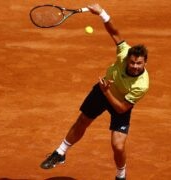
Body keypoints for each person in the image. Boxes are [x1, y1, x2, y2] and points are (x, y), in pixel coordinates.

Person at [40, 3, 149, 180]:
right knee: (83, 120)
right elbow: (114, 33)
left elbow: (121, 109)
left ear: (145, 63)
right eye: (132, 62)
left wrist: (107, 92)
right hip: (102, 91)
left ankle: (121, 174)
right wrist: (102, 13)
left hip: (118, 100)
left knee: (118, 146)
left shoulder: (142, 85)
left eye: (139, 64)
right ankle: (60, 153)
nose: (135, 66)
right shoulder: (123, 53)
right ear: (127, 59)